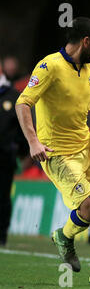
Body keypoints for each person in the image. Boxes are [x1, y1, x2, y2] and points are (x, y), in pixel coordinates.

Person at [15, 17, 90, 287]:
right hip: (58, 152)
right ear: (85, 41)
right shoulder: (49, 66)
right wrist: (33, 142)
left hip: (86, 146)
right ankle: (64, 237)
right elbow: (22, 103)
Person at [0, 61, 28, 246]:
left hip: (4, 157)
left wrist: (22, 151)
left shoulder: (14, 96)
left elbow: (22, 127)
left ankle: (1, 234)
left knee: (2, 195)